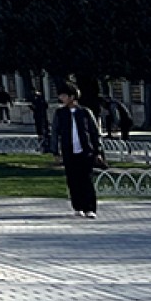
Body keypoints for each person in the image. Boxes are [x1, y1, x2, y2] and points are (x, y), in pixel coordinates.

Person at [52, 83, 105, 219]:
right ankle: (78, 206)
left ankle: (90, 208)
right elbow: (55, 133)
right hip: (69, 151)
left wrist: (97, 150)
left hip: (85, 150)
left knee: (86, 180)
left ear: (72, 96)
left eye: (64, 95)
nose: (61, 98)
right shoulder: (60, 113)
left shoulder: (85, 112)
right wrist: (55, 152)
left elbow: (94, 132)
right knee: (73, 180)